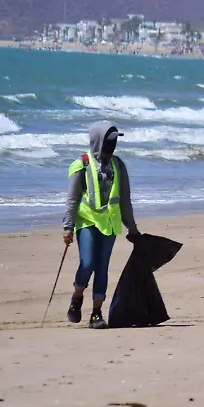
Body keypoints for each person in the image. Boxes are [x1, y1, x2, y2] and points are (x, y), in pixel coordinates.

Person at [63, 121, 141, 329]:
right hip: (87, 221)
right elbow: (72, 198)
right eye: (108, 142)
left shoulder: (119, 165)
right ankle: (78, 294)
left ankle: (96, 313)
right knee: (87, 263)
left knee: (102, 268)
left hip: (110, 223)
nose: (112, 147)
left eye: (114, 142)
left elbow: (125, 199)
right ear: (98, 141)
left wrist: (132, 227)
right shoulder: (81, 165)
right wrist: (68, 227)